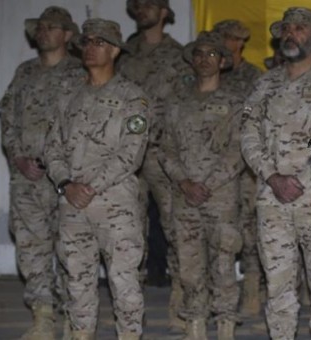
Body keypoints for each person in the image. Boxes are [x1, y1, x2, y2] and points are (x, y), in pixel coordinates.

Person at [241, 7, 311, 340]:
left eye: (300, 29)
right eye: (286, 29)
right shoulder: (264, 84)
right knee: (277, 283)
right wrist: (272, 177)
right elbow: (248, 134)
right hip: (272, 199)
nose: (291, 34)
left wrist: (304, 180)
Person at [44, 18, 150, 340]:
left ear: (115, 50)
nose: (91, 48)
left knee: (124, 283)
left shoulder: (133, 98)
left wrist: (90, 187)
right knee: (76, 281)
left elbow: (131, 153)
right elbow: (51, 147)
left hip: (114, 203)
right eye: (87, 42)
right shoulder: (68, 96)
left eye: (99, 42)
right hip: (72, 204)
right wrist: (66, 184)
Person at [0, 6, 83, 339]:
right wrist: (18, 157)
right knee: (32, 247)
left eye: (52, 27)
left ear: (67, 35)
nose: (43, 32)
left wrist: (67, 168)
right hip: (27, 177)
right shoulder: (24, 73)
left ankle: (74, 316)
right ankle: (43, 317)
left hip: (67, 179)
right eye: (41, 27)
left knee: (71, 247)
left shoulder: (80, 74)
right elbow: (8, 119)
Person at [159, 31, 244, 340]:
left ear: (222, 61)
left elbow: (240, 149)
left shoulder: (235, 103)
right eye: (198, 54)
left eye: (211, 54)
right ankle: (195, 325)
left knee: (223, 264)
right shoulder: (177, 103)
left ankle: (225, 326)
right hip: (185, 197)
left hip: (220, 197)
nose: (203, 59)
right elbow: (164, 148)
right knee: (189, 266)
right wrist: (183, 181)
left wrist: (208, 183)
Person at [118, 0, 190, 330]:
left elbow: (187, 106)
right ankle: (132, 307)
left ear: (165, 12)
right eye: (138, 4)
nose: (142, 9)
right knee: (128, 231)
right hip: (125, 154)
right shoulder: (122, 53)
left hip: (163, 151)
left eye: (151, 4)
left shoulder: (179, 56)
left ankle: (181, 304)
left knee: (176, 227)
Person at [212, 19, 265, 316]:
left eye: (232, 39)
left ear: (241, 42)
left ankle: (252, 288)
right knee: (218, 232)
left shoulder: (253, 77)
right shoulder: (206, 74)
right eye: (223, 38)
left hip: (245, 164)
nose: (228, 44)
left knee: (249, 227)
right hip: (211, 166)